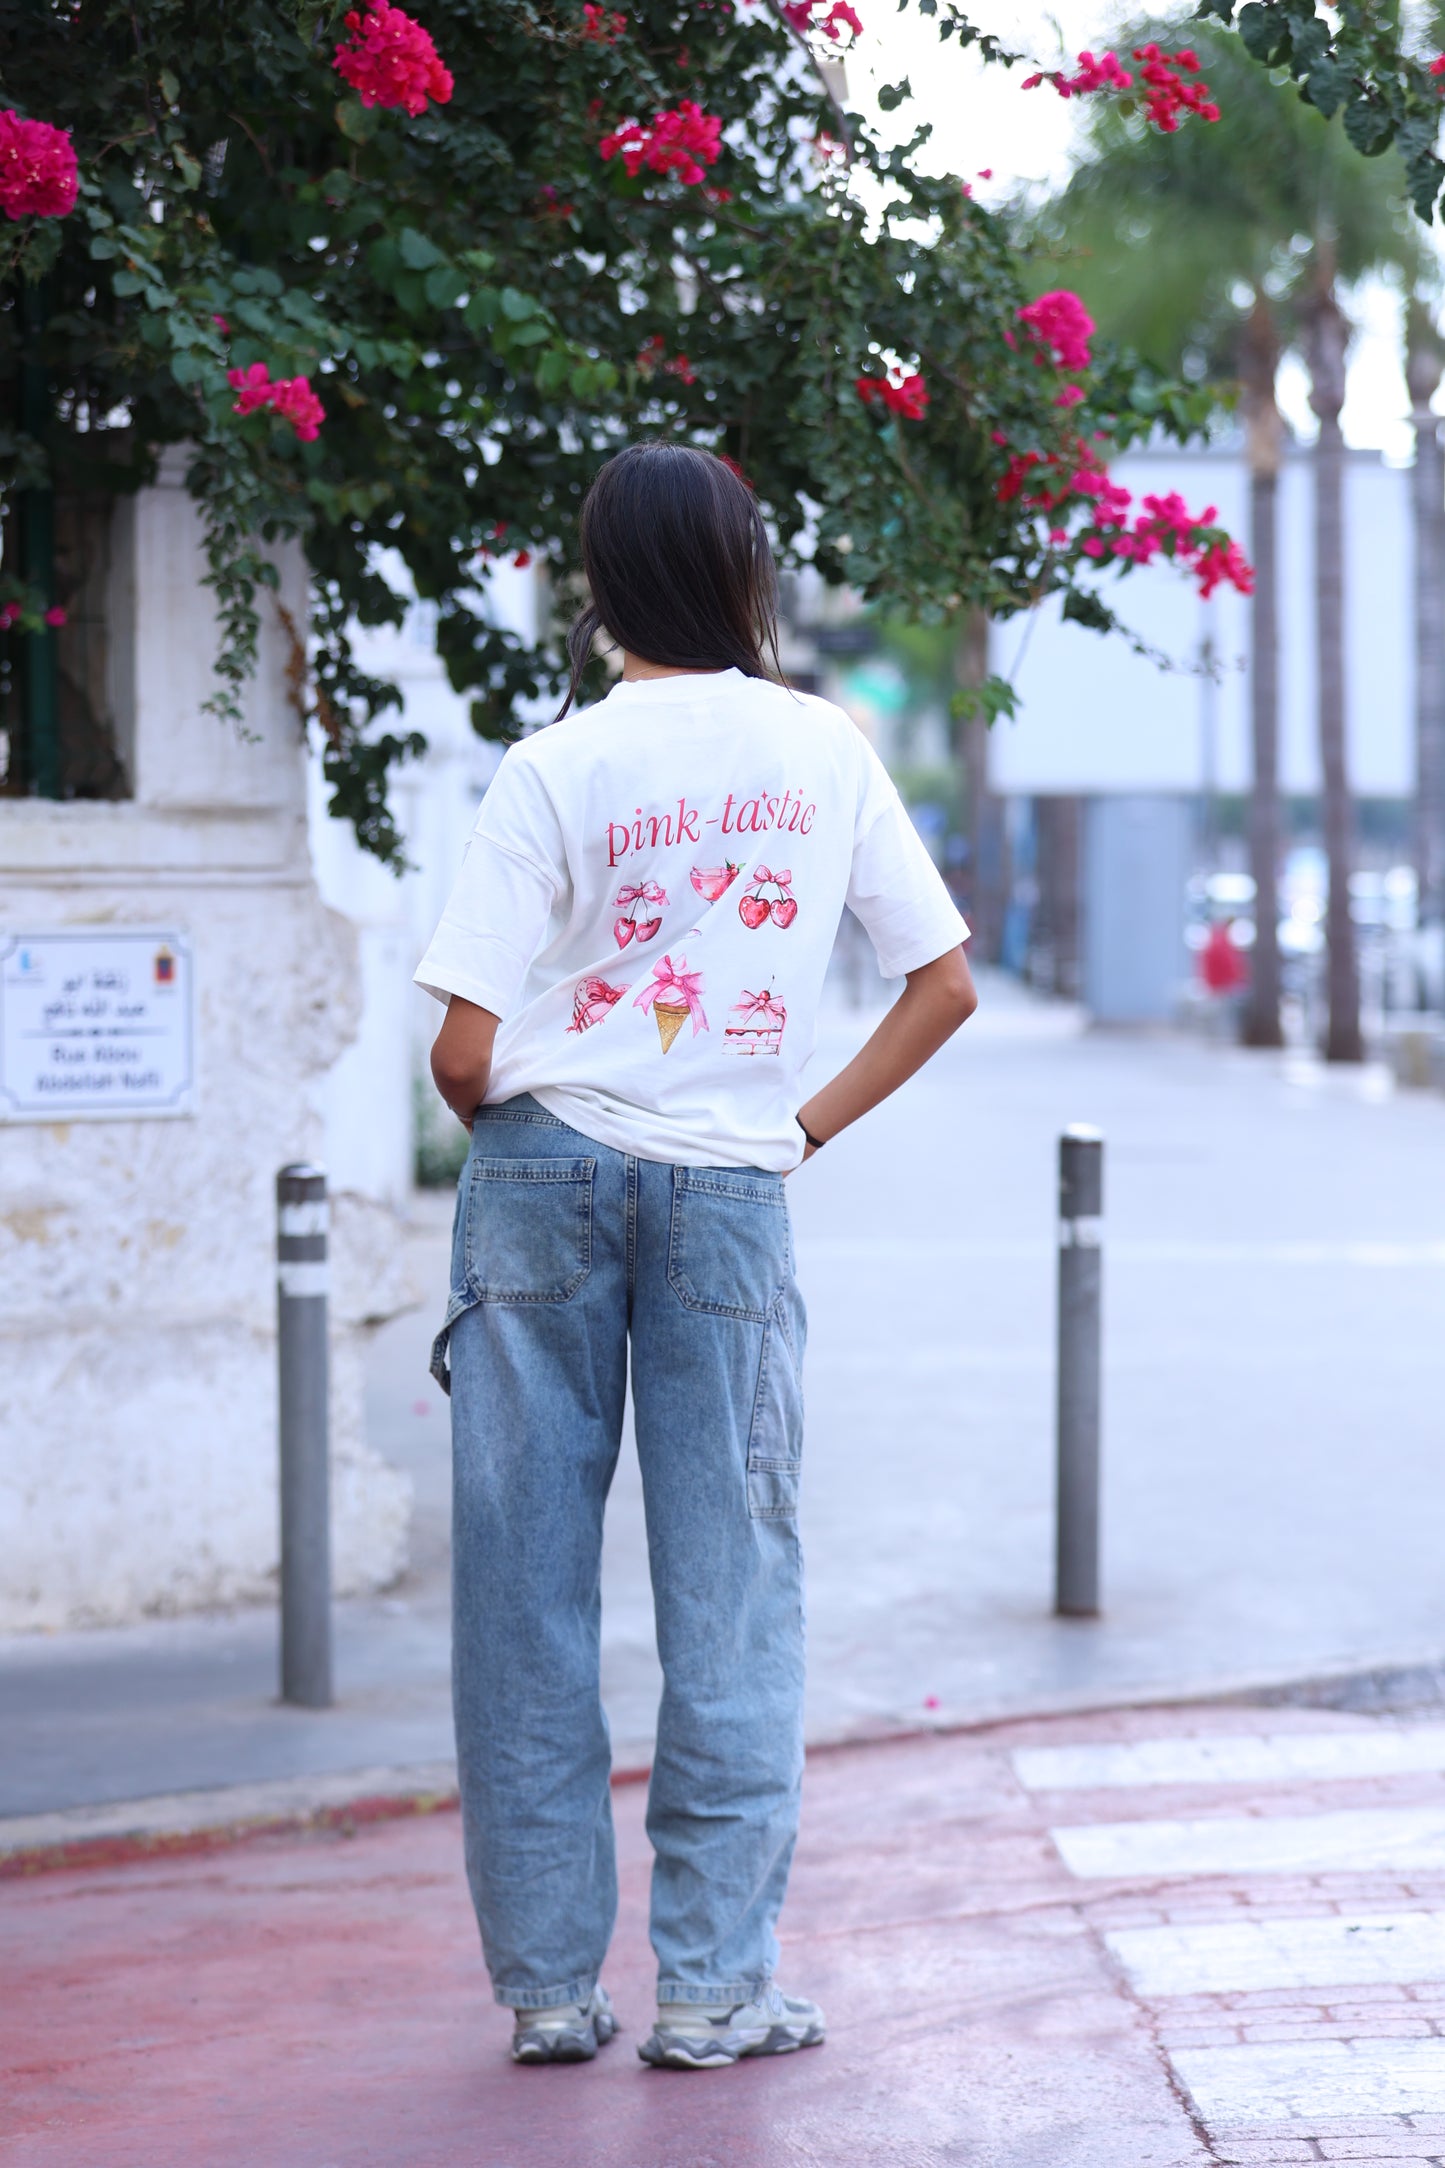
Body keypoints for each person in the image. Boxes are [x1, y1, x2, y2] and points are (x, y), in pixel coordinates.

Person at [416, 442, 976, 2073]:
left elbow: (461, 1056)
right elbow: (936, 984)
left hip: (540, 1181)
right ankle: (717, 1991)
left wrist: (547, 1091)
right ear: (745, 573)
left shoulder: (553, 767)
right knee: (732, 1597)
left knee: (522, 1599)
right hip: (730, 1192)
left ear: (598, 584)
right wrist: (787, 1128)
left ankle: (543, 1991)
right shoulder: (822, 751)